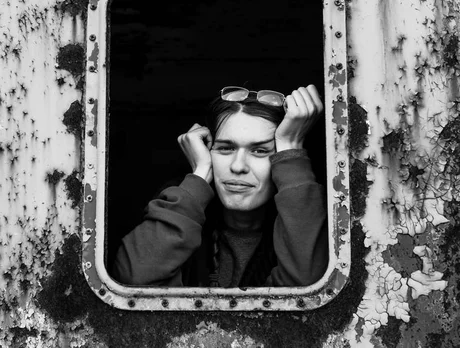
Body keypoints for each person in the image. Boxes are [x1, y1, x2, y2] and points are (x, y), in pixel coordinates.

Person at [112, 84, 328, 287]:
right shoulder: (181, 213)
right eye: (225, 148)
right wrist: (200, 174)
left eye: (260, 151)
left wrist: (291, 149)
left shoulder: (305, 224)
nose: (238, 166)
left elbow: (306, 287)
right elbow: (133, 279)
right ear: (206, 151)